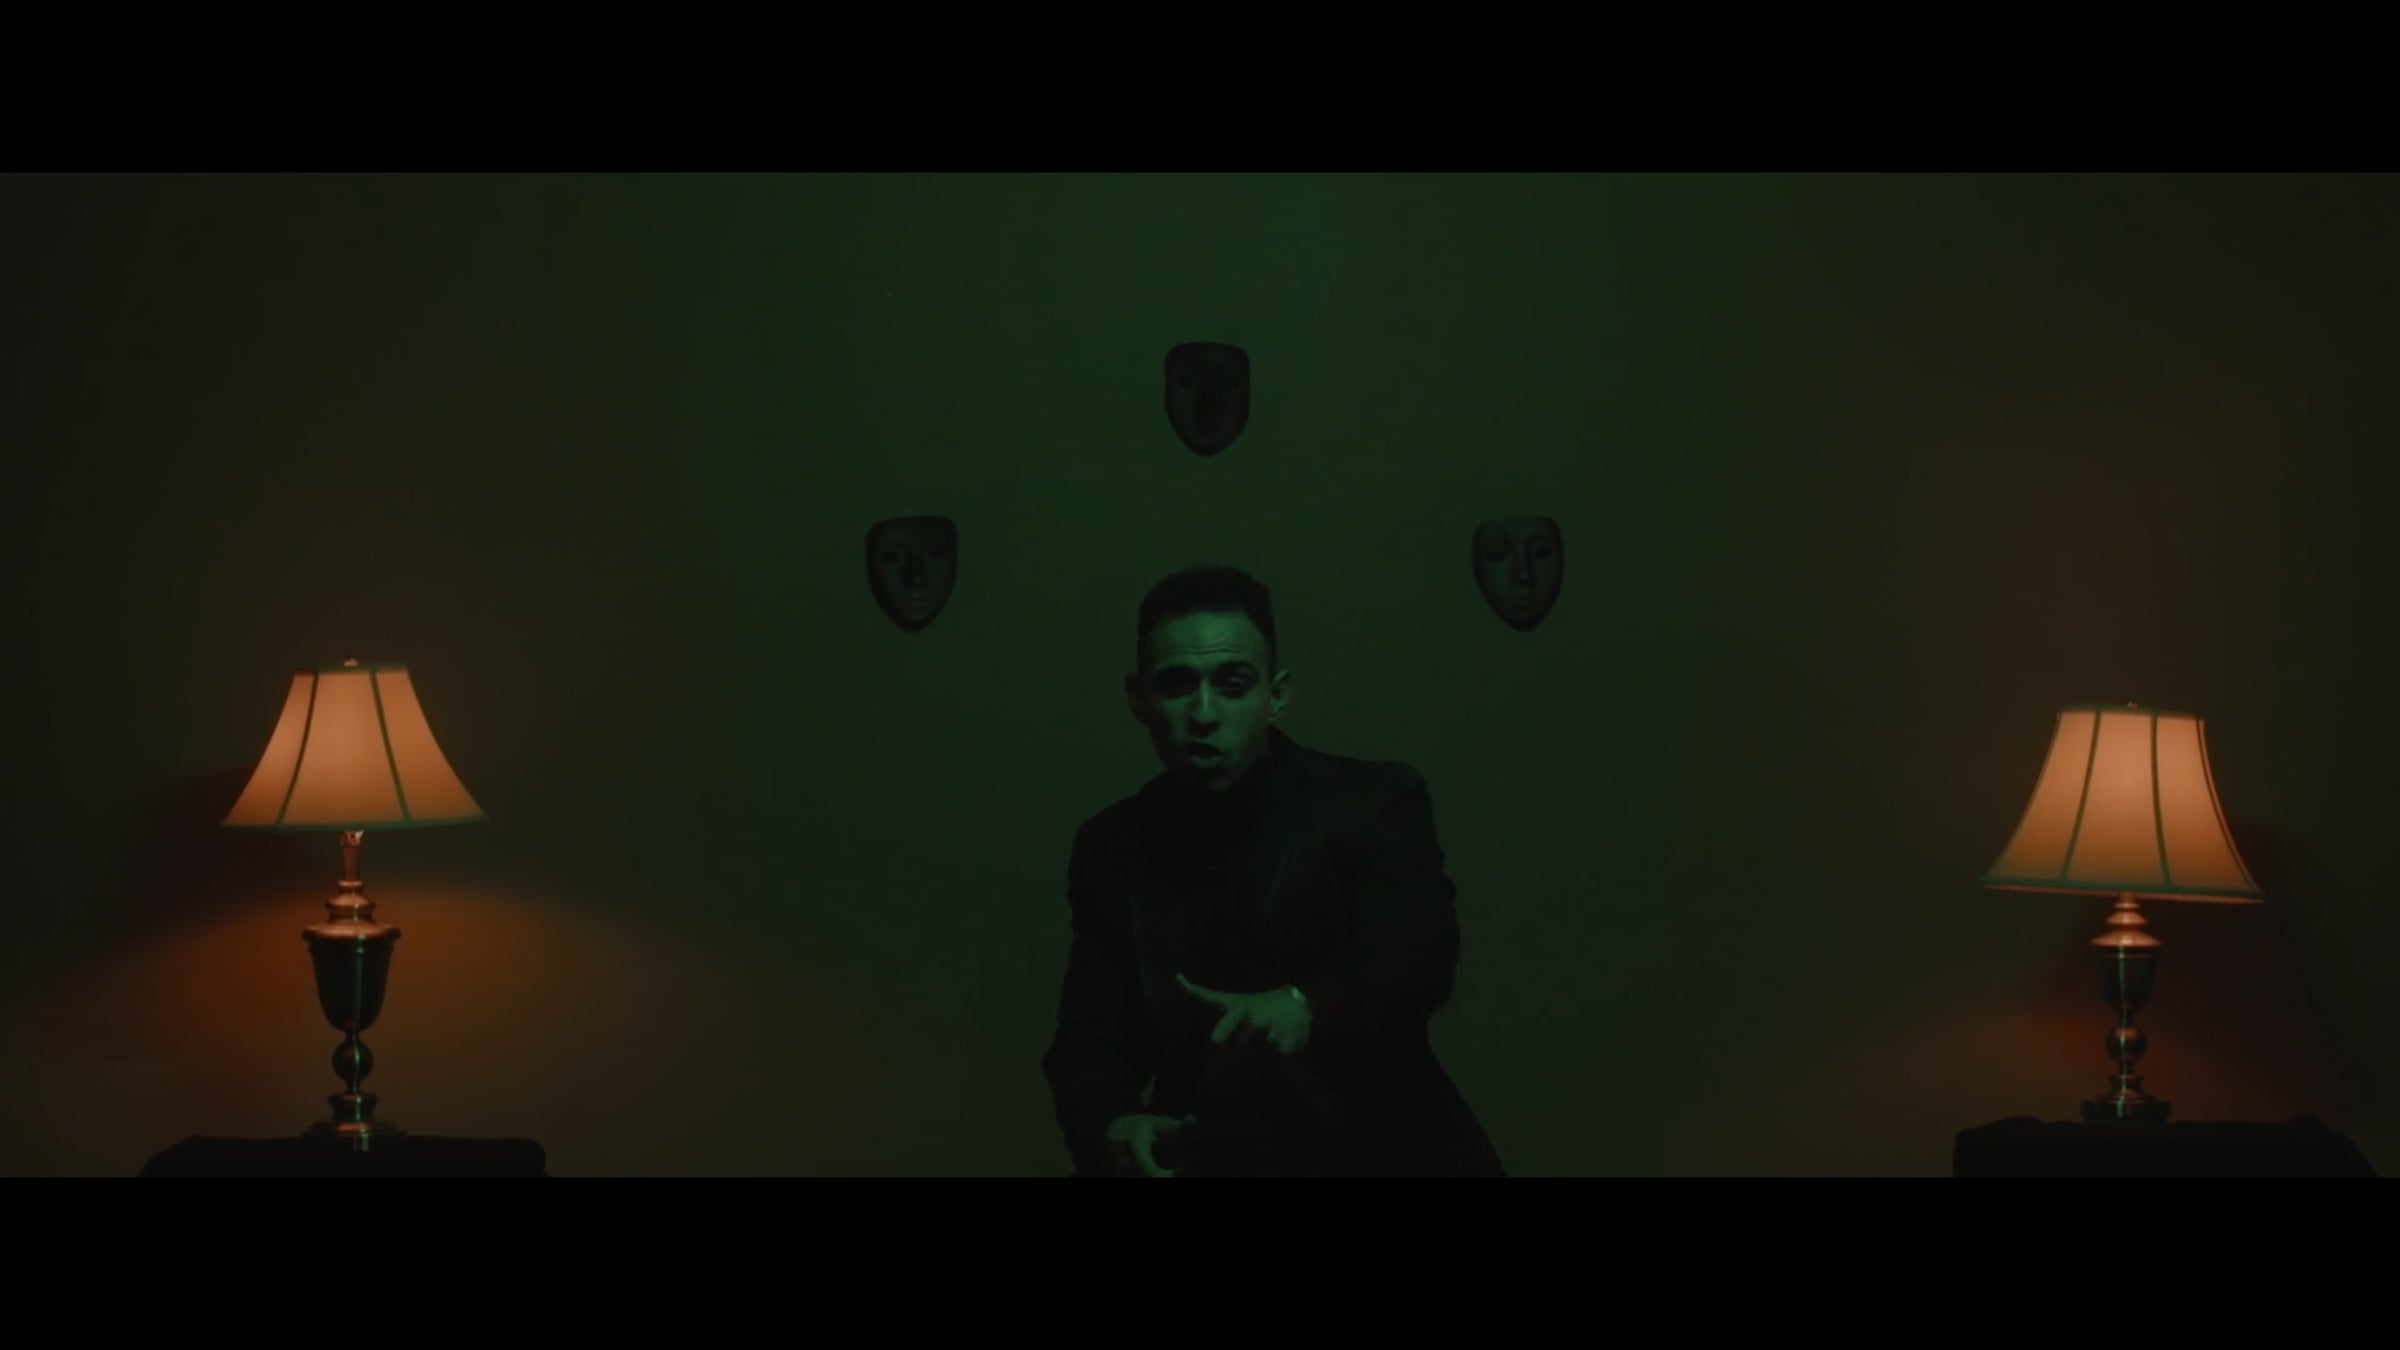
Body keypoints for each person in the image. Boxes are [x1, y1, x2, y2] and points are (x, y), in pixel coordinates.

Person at [1040, 565, 1504, 1177]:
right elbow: (1091, 1034)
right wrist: (1113, 1123)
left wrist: (1305, 1006)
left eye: (1232, 684)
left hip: (1386, 1153)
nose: (1204, 713)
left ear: (1277, 695)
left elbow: (1420, 954)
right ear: (1138, 698)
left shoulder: (1372, 802)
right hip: (1207, 1155)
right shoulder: (1111, 845)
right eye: (1177, 685)